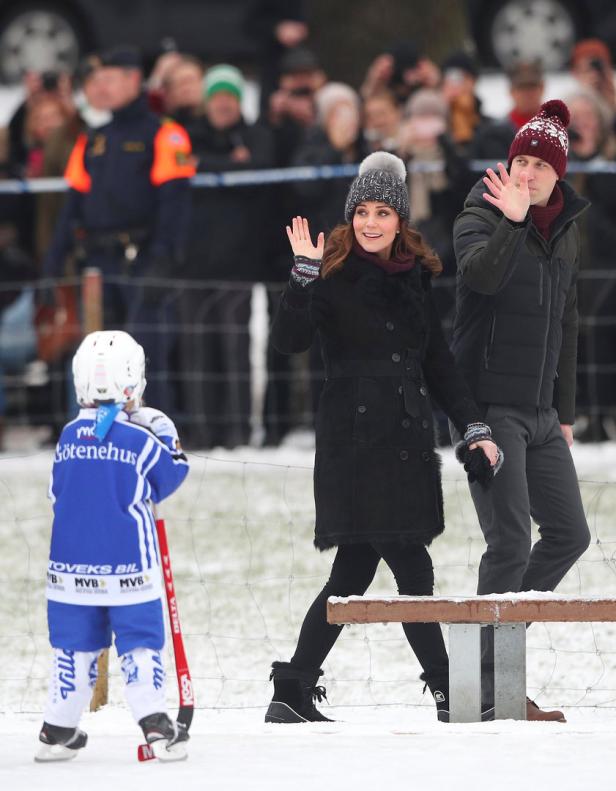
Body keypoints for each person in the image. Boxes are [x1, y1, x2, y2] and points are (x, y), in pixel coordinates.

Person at [264, 151, 502, 724]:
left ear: (400, 220)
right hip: (355, 442)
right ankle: (451, 693)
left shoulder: (416, 275)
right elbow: (289, 342)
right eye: (362, 212)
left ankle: (293, 688)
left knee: (352, 574)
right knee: (412, 568)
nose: (371, 223)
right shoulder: (330, 270)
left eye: (383, 212)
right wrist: (300, 277)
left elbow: (438, 361)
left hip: (406, 437)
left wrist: (471, 424)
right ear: (351, 217)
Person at [451, 100, 592, 721]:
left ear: (559, 175)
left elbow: (567, 319)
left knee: (569, 535)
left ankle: (488, 663)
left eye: (541, 164)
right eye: (521, 160)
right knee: (508, 543)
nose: (530, 172)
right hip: (489, 409)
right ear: (507, 166)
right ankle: (490, 690)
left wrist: (562, 409)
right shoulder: (478, 215)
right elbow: (479, 280)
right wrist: (511, 223)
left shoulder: (565, 230)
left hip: (539, 415)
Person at [35, 330, 189, 762]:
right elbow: (172, 475)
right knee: (140, 643)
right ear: (135, 380)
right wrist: (165, 431)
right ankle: (156, 727)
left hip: (67, 574)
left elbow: (55, 494)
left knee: (74, 648)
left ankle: (57, 729)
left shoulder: (66, 437)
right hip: (130, 572)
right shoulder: (141, 441)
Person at [42, 46, 196, 415]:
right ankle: (101, 444)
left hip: (143, 262)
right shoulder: (92, 139)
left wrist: (164, 260)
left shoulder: (165, 134)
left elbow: (175, 205)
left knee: (146, 361)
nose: (102, 87)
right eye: (96, 81)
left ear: (132, 79)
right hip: (98, 265)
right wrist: (53, 262)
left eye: (109, 79)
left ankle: (157, 439)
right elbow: (72, 207)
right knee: (98, 364)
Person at [179, 64, 275, 448]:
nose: (222, 104)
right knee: (195, 351)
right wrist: (228, 165)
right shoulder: (189, 135)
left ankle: (238, 429)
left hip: (237, 264)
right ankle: (201, 431)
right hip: (192, 266)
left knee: (235, 349)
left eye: (229, 98)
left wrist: (207, 166)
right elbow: (181, 168)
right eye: (216, 97)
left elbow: (261, 169)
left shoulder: (256, 136)